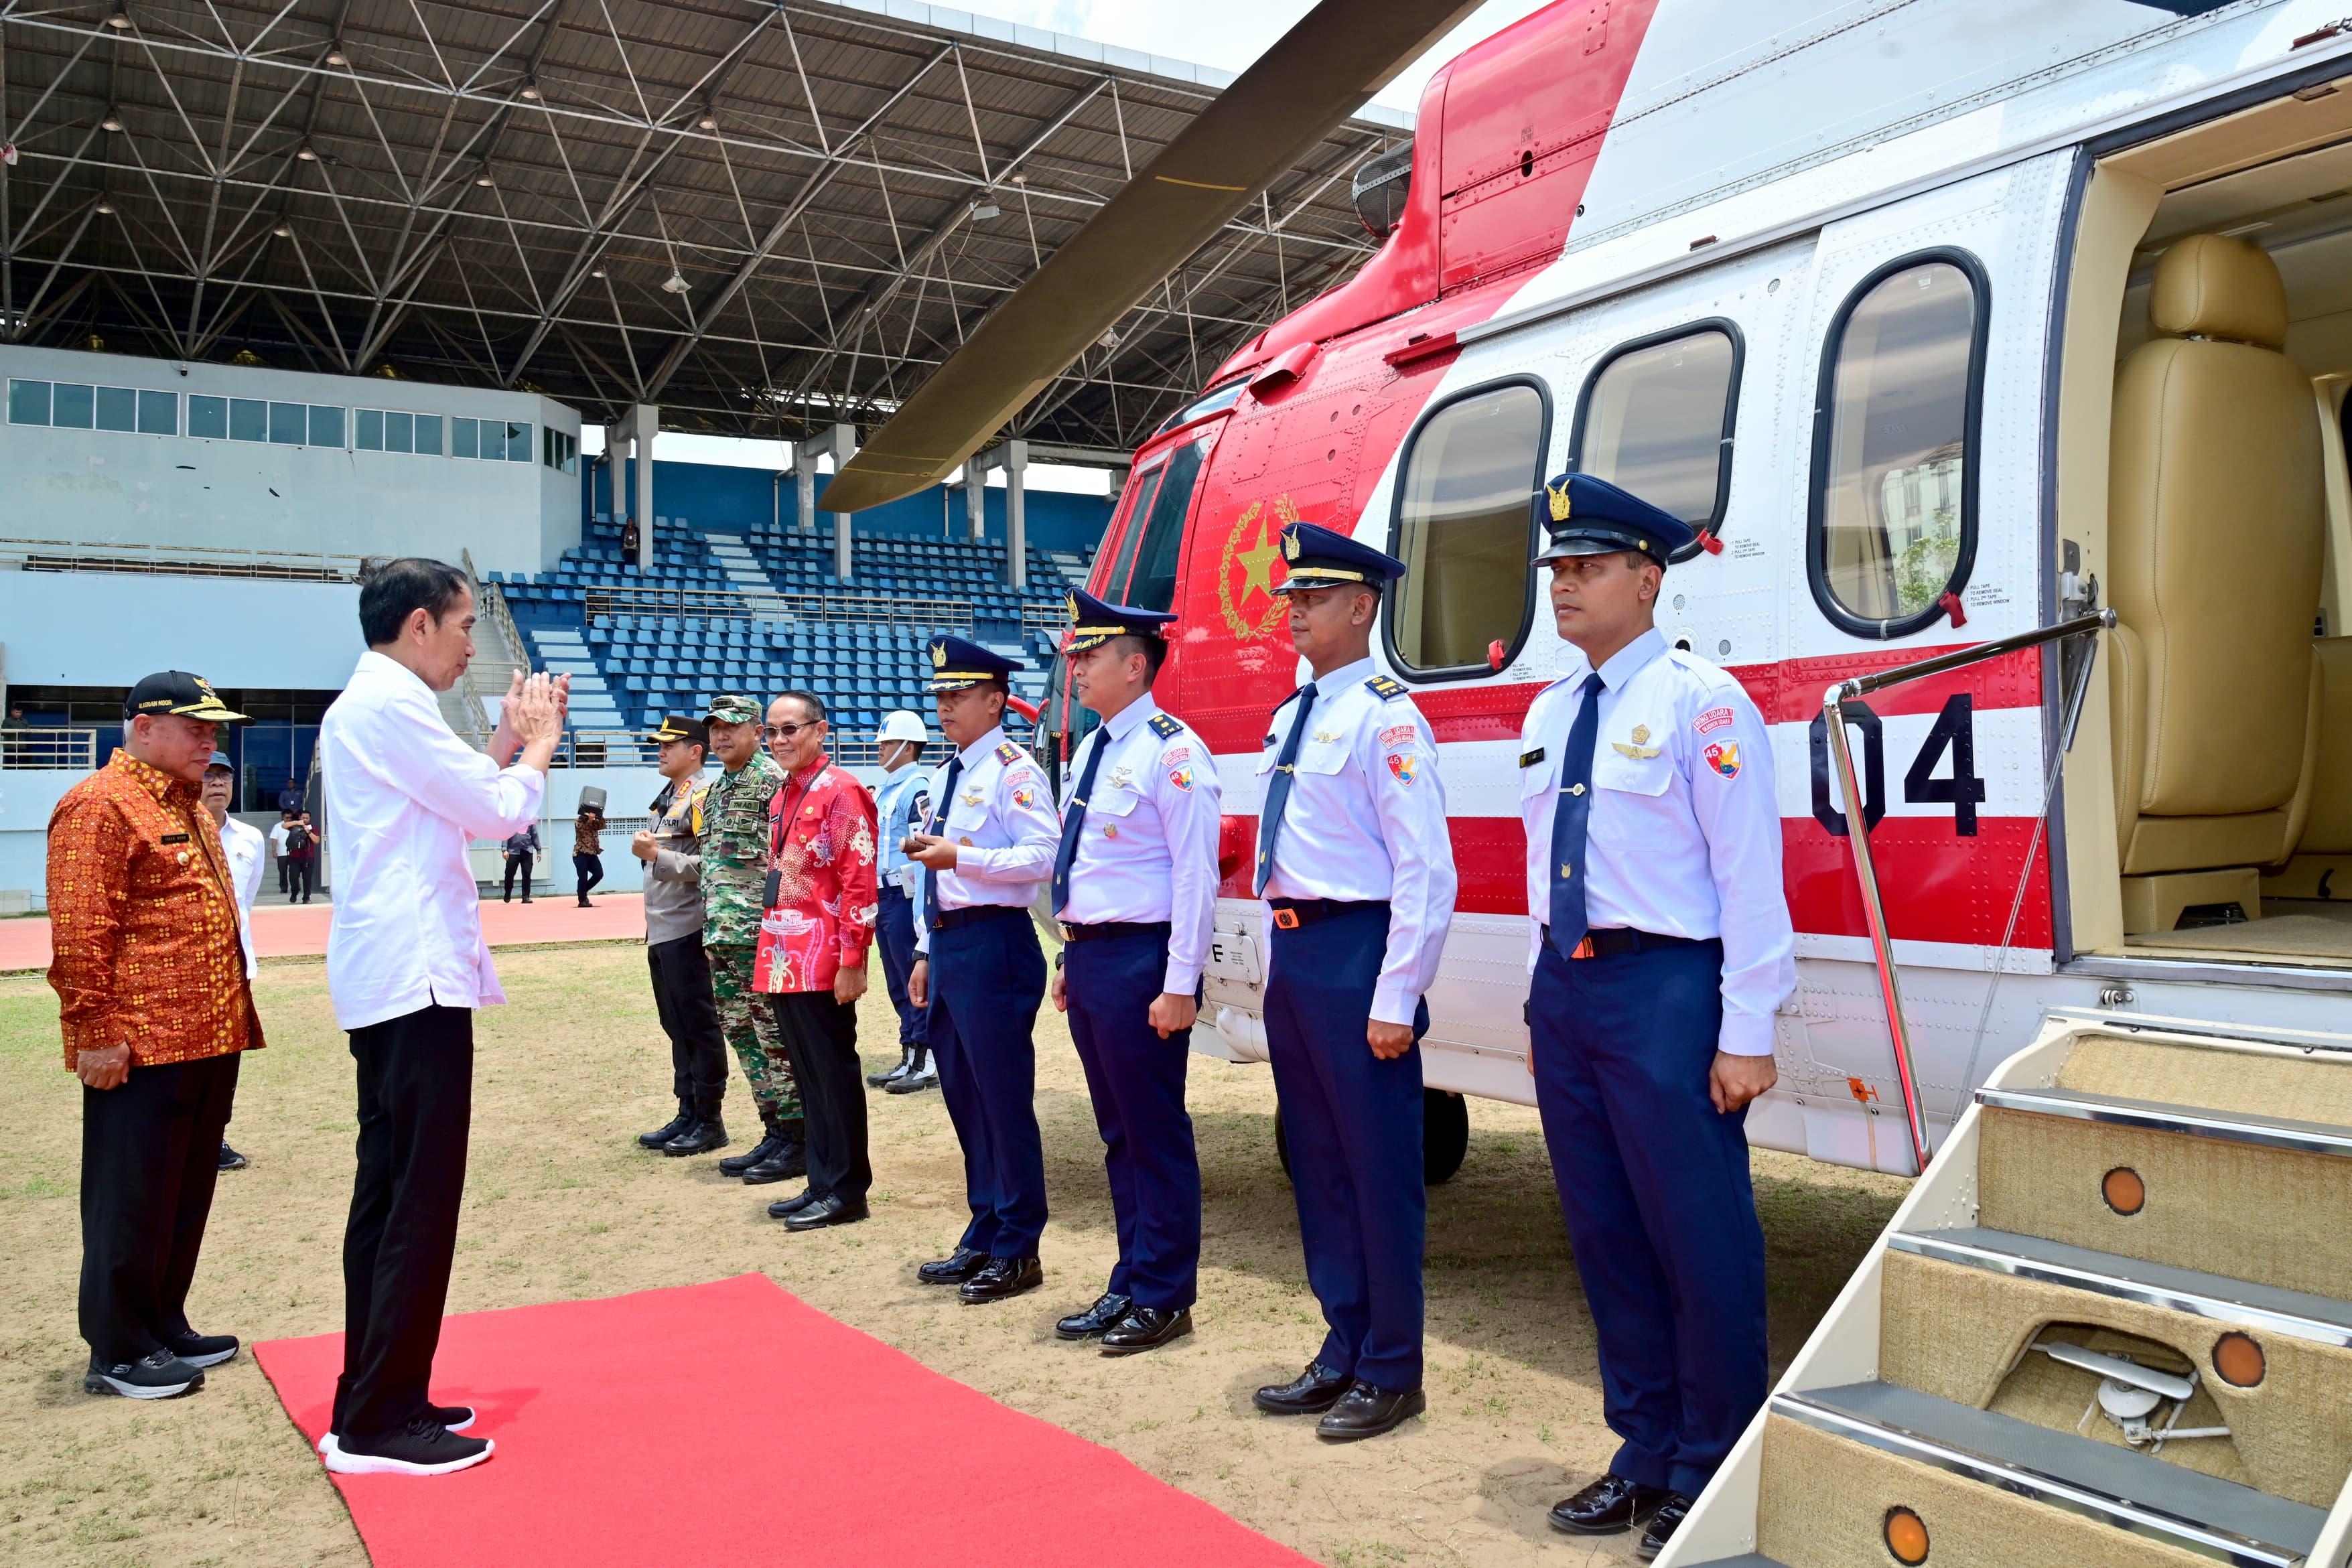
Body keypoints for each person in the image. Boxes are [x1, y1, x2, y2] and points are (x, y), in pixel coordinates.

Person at [1518, 476, 1794, 1561]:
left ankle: (1715, 1460)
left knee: (1698, 1231)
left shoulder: (1703, 702)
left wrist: (1747, 1030)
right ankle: (1642, 1450)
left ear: (1647, 577)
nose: (1564, 587)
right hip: (1570, 990)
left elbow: (1748, 877)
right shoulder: (1552, 709)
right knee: (1604, 1231)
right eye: (1556, 571)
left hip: (1665, 990)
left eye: (1585, 569)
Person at [318, 557, 566, 1477]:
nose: (472, 643)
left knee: (387, 1195)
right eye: (464, 627)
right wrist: (536, 744)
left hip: (393, 975)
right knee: (415, 1200)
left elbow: (456, 797)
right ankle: (384, 1414)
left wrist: (502, 736)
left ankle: (375, 1392)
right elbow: (495, 812)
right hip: (414, 977)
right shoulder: (390, 705)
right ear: (419, 624)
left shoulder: (375, 703)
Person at [1248, 521, 1454, 1443]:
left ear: (1361, 606)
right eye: (1291, 595)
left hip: (1357, 950)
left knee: (1377, 1173)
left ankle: (1390, 1366)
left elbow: (1423, 869)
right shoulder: (1293, 712)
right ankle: (1341, 1345)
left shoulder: (1385, 714)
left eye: (1313, 596)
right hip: (1296, 953)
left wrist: (1393, 993)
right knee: (1319, 1166)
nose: (1293, 609)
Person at [50, 672, 260, 1400]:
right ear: (143, 728)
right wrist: (95, 1032)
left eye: (216, 730)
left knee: (182, 1192)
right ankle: (117, 1347)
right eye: (196, 727)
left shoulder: (191, 808)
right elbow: (82, 933)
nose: (211, 740)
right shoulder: (99, 806)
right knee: (129, 1195)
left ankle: (163, 1322)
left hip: (207, 1034)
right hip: (139, 1042)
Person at [1047, 590, 1221, 1356]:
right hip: (1092, 955)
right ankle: (1130, 1275)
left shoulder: (1171, 750)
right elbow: (1084, 860)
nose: (1077, 668)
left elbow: (1195, 877)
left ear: (1135, 664)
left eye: (1091, 655)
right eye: (1078, 655)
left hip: (1140, 959)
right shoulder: (1094, 748)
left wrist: (1180, 982)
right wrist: (1068, 954)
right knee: (1117, 1132)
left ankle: (1164, 1293)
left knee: (1153, 1131)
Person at [906, 636, 1060, 1303]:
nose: (944, 705)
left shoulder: (1011, 769)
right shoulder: (948, 772)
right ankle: (986, 1224)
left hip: (995, 941)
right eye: (940, 694)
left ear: (996, 700)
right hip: (950, 945)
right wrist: (922, 948)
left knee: (1001, 1100)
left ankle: (1019, 1244)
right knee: (966, 1096)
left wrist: (961, 858)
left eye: (958, 694)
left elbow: (1041, 856)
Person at [754, 692, 878, 1231]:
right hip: (784, 957)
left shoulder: (841, 791)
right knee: (807, 1076)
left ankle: (847, 1189)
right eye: (772, 732)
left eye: (791, 729)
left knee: (833, 1073)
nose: (780, 740)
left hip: (825, 957)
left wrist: (854, 955)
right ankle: (820, 1180)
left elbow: (859, 877)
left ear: (821, 730)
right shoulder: (784, 794)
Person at [700, 693, 802, 1186]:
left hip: (759, 936)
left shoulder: (772, 782)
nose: (721, 736)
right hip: (723, 934)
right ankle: (774, 1128)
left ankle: (798, 1136)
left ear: (757, 732)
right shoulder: (718, 788)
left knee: (773, 1037)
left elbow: (789, 862)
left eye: (732, 727)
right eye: (715, 728)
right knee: (743, 1035)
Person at [631, 716, 728, 1157]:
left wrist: (657, 855)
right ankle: (687, 1109)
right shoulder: (670, 797)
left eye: (670, 745)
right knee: (675, 1024)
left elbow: (716, 867)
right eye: (658, 745)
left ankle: (709, 1118)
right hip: (662, 927)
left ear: (696, 751)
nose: (660, 751)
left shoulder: (705, 797)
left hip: (688, 927)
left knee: (697, 1024)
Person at [200, 747, 265, 1172]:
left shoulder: (250, 839)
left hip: (233, 967)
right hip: (185, 968)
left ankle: (214, 1137)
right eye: (208, 775)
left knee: (225, 1059)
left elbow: (246, 901)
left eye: (224, 776)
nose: (218, 783)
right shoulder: (176, 830)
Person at [867, 710, 934, 1093]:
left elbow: (920, 851)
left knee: (914, 979)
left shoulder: (917, 788)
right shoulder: (890, 788)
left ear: (907, 747)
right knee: (896, 980)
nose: (880, 749)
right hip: (883, 893)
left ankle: (927, 1059)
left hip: (904, 894)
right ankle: (910, 1053)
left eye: (887, 743)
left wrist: (921, 909)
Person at [284, 810, 321, 904]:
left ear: (310, 819)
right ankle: (294, 892)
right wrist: (297, 823)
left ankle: (306, 898)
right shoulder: (294, 826)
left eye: (307, 818)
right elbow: (284, 826)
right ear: (300, 817)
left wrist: (308, 832)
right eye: (303, 817)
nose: (305, 820)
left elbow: (317, 841)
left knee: (307, 879)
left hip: (308, 857)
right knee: (293, 877)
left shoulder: (313, 828)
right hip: (294, 857)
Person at [573, 802, 606, 906]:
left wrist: (599, 815)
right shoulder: (579, 821)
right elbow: (582, 830)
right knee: (583, 877)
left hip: (592, 853)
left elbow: (602, 825)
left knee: (599, 874)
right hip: (581, 853)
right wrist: (589, 820)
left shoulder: (595, 821)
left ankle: (582, 891)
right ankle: (582, 901)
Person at [499, 821, 539, 904]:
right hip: (513, 851)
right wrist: (504, 849)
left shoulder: (530, 822)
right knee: (509, 874)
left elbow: (535, 836)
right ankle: (508, 892)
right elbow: (506, 835)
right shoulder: (511, 821)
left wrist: (539, 850)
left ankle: (526, 897)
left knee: (527, 874)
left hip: (527, 850)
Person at [271, 809, 297, 896]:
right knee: (283, 872)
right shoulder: (277, 826)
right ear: (282, 817)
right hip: (282, 853)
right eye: (287, 818)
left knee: (294, 872)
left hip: (293, 852)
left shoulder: (295, 825)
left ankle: (296, 887)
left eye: (290, 817)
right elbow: (275, 839)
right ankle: (284, 888)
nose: (289, 819)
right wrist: (274, 850)